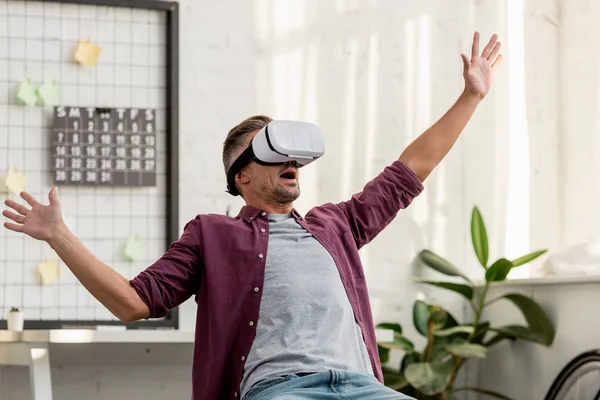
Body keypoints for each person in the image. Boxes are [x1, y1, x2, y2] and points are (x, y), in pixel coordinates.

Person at [3, 32, 502, 400]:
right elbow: (134, 303)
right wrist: (58, 234)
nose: (289, 160)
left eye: (291, 151)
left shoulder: (336, 225)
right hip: (282, 391)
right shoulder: (212, 235)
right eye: (269, 149)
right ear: (240, 175)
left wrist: (472, 95)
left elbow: (409, 170)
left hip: (361, 387)